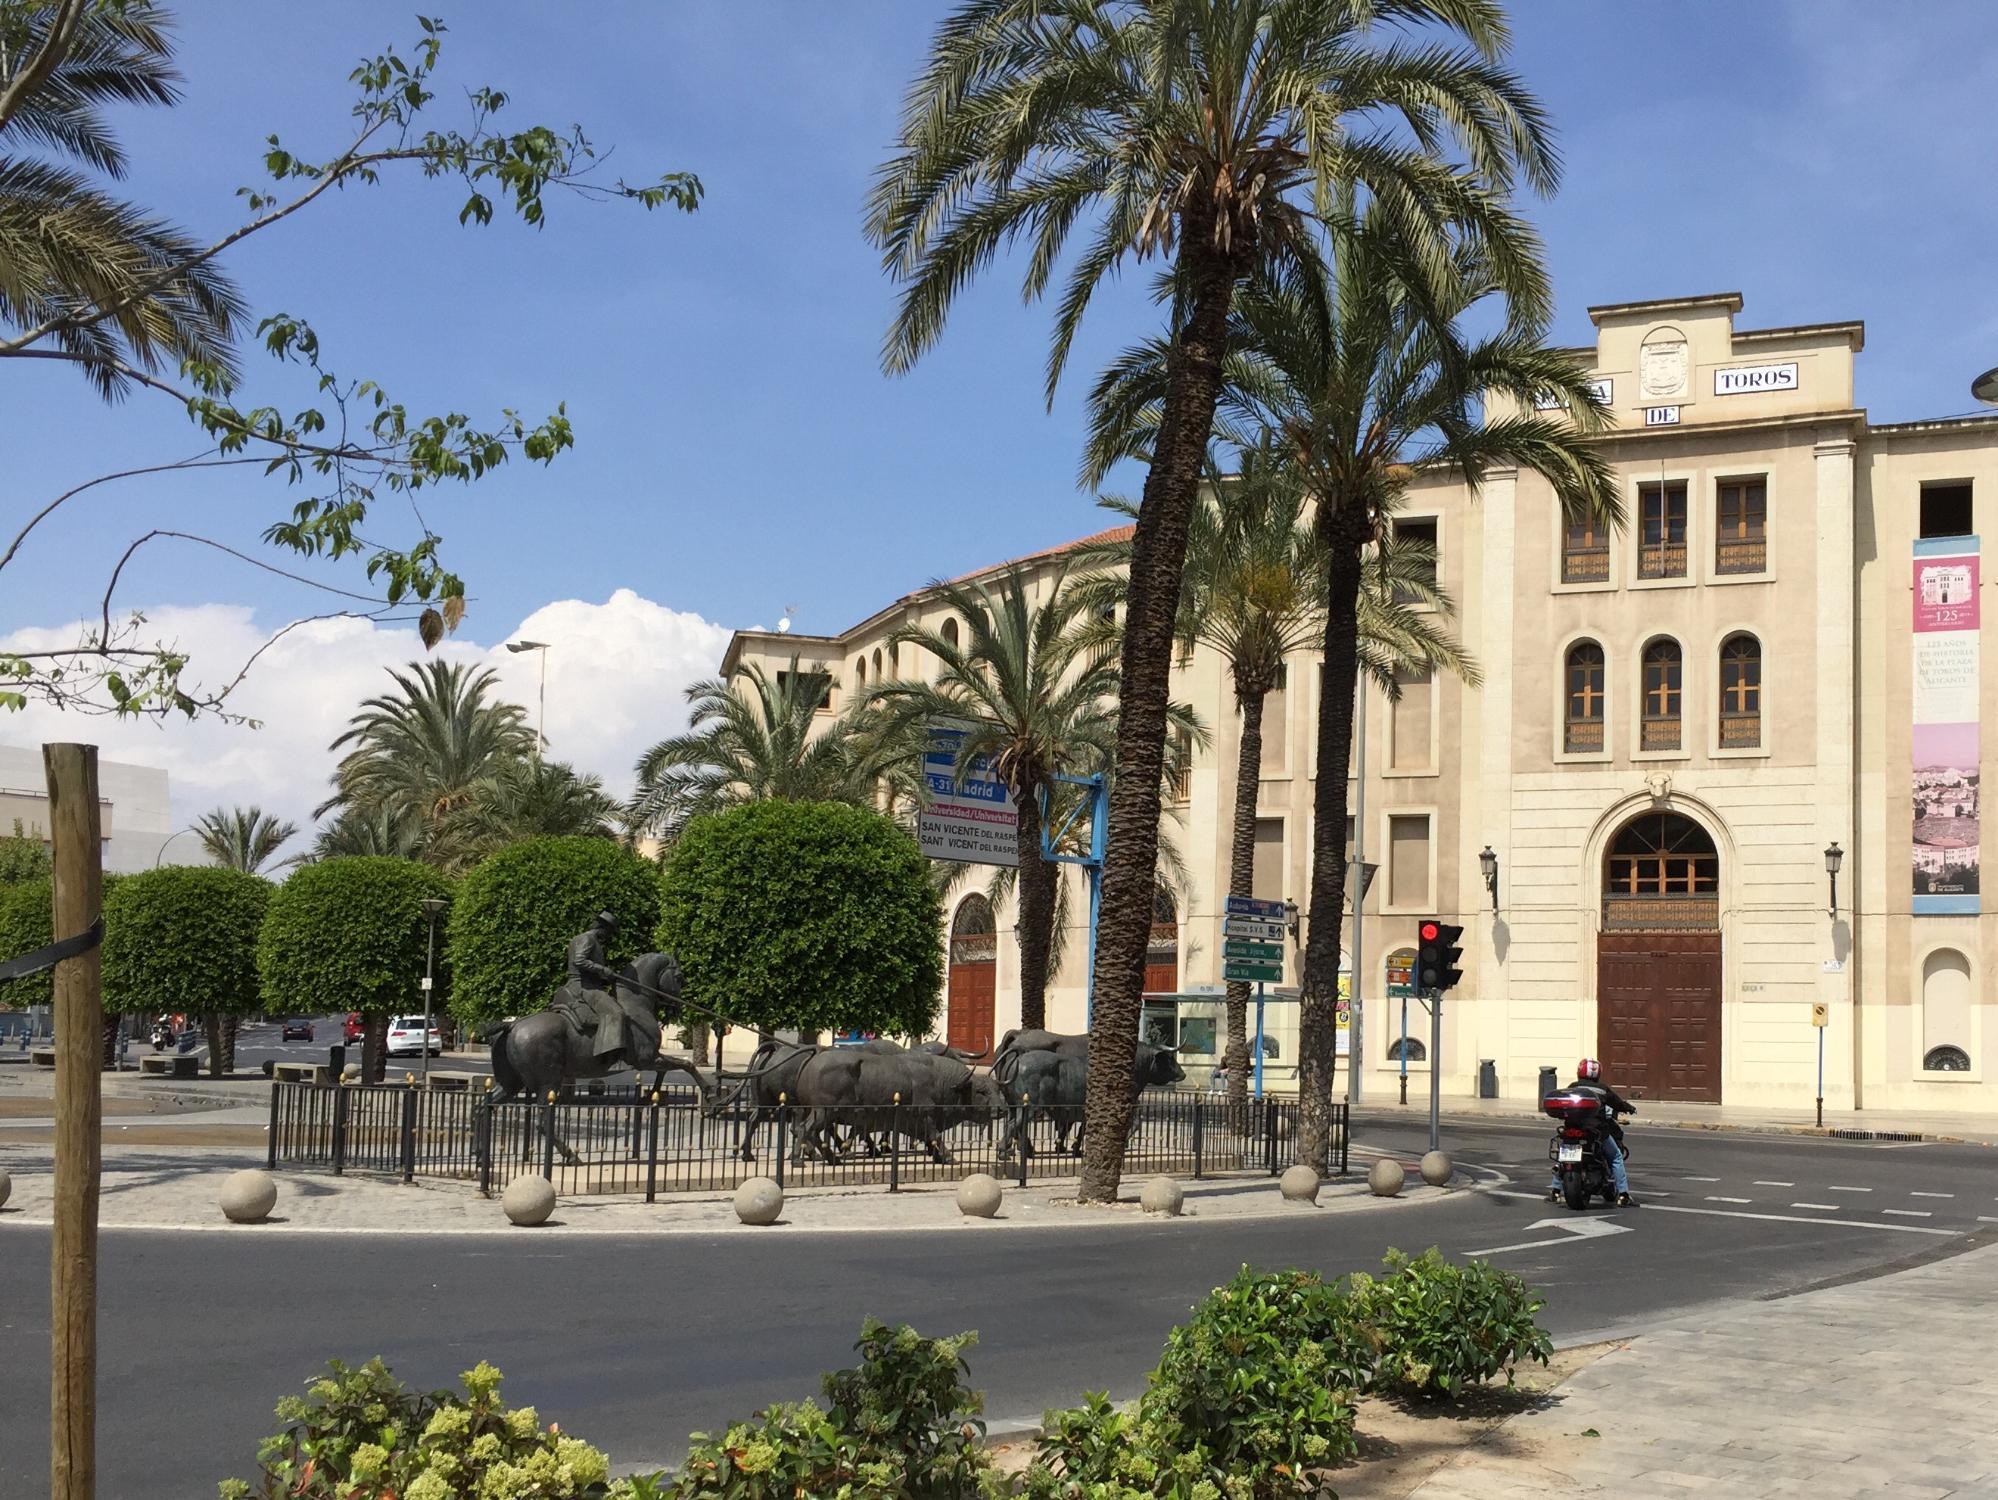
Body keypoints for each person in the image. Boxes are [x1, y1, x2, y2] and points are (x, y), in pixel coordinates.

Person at [1548, 1056, 1637, 1207]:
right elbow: (1617, 1103)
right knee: (1616, 1157)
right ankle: (1623, 1195)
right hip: (1596, 1130)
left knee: (1565, 1156)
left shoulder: (1573, 1087)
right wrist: (1629, 1108)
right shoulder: (1602, 1089)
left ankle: (1555, 1191)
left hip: (1572, 1128)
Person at [563, 910, 628, 1063]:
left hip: (587, 983)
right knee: (616, 1013)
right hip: (585, 987)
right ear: (602, 928)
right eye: (609, 932)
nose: (609, 936)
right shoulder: (588, 939)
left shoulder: (585, 939)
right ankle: (609, 1058)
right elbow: (579, 961)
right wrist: (602, 969)